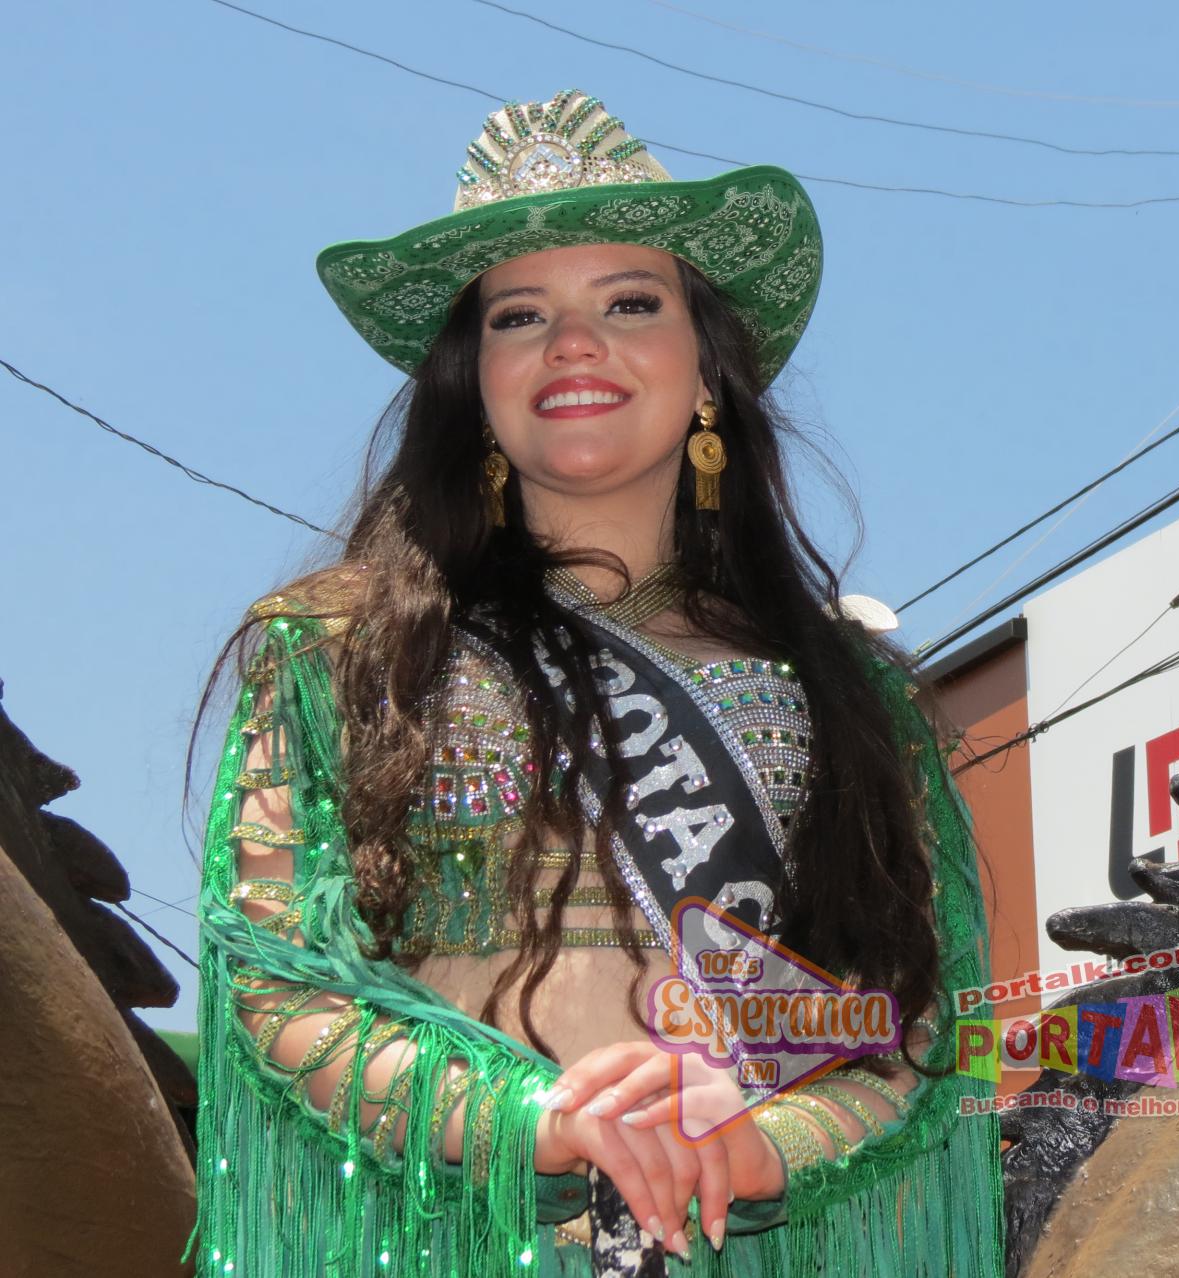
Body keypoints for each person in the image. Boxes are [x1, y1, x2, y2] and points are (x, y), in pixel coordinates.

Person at [188, 90, 1001, 1277]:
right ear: (475, 378)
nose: (574, 344)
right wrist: (542, 1122)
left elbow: (910, 1024)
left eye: (630, 303)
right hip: (452, 1245)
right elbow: (281, 982)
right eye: (522, 316)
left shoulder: (852, 697)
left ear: (708, 364)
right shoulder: (337, 653)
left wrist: (760, 1133)